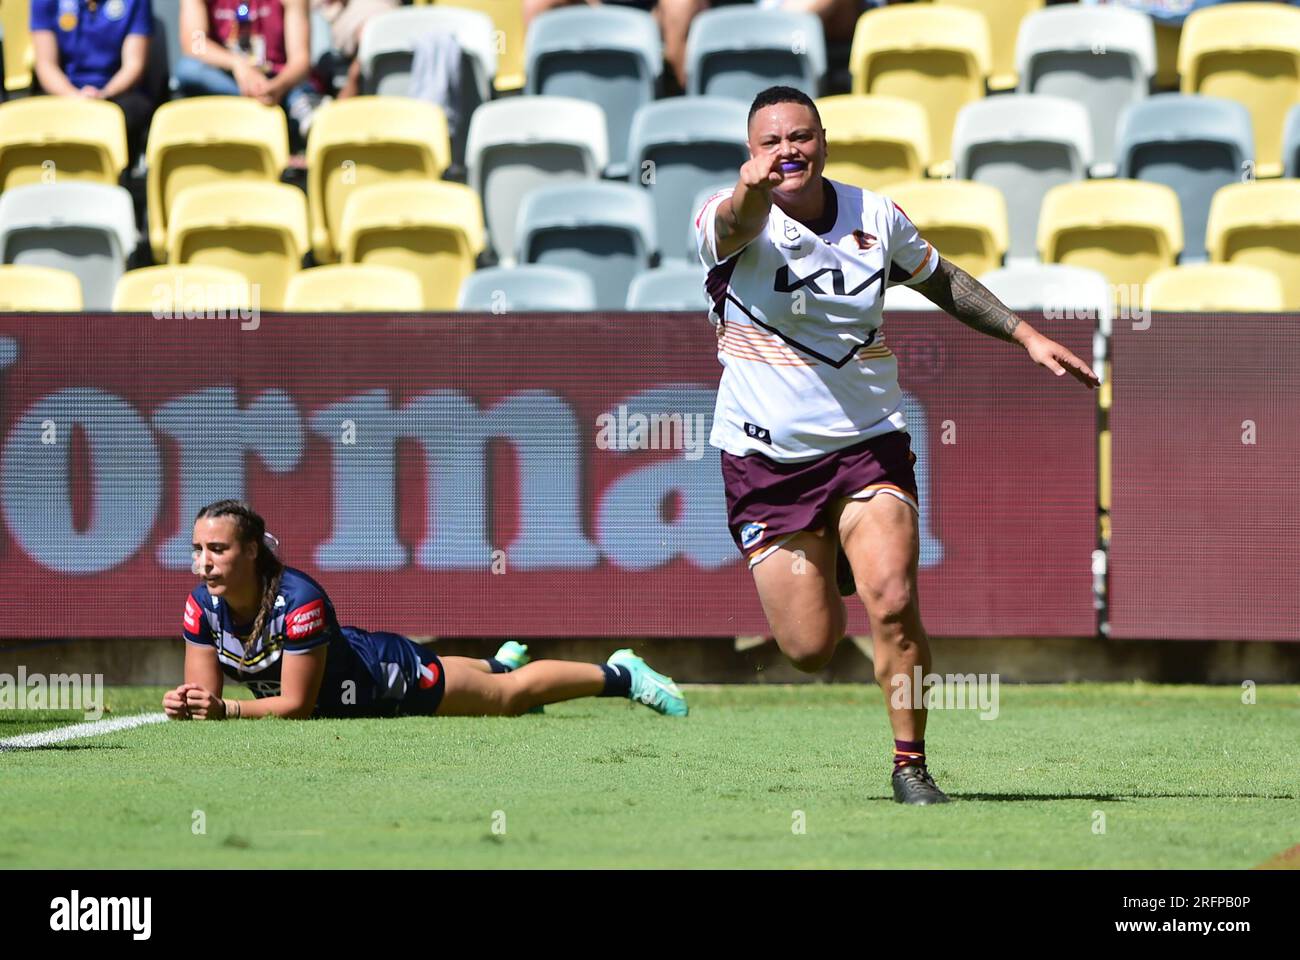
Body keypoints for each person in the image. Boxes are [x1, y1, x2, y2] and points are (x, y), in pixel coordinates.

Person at [695, 86, 1099, 805]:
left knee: (893, 599)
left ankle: (910, 765)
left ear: (824, 141)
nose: (789, 150)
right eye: (771, 142)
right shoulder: (726, 220)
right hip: (765, 462)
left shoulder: (874, 216)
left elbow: (941, 278)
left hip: (867, 445)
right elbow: (737, 217)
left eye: (802, 136)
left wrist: (1027, 335)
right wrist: (747, 193)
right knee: (810, 650)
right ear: (751, 154)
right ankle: (833, 560)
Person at [164, 500, 688, 721]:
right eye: (198, 550)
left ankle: (622, 674)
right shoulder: (199, 607)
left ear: (251, 550)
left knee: (505, 699)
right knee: (496, 676)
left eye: (219, 549)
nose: (204, 562)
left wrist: (227, 712)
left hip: (383, 679)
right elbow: (203, 699)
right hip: (352, 684)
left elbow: (297, 705)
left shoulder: (298, 601)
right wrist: (189, 704)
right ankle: (498, 661)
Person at [30, 0, 156, 161]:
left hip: (117, 95)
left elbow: (134, 65)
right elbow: (46, 65)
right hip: (64, 93)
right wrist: (75, 96)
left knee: (123, 116)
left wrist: (104, 94)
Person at [174, 0, 317, 141]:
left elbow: (300, 61)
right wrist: (237, 64)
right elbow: (195, 44)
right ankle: (287, 108)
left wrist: (278, 85)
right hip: (228, 79)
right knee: (188, 69)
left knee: (300, 85)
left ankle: (299, 113)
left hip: (276, 81)